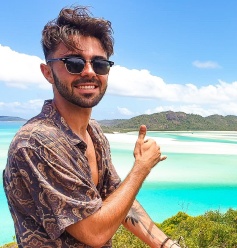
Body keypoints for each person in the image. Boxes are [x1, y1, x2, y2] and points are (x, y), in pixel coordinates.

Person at [2, 6, 181, 248]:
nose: (89, 72)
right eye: (73, 63)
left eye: (99, 64)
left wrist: (167, 244)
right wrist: (141, 168)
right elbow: (94, 232)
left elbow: (115, 196)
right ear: (48, 72)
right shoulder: (36, 142)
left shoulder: (93, 132)